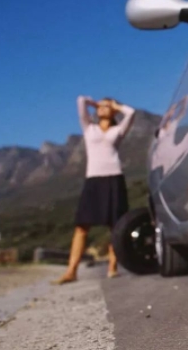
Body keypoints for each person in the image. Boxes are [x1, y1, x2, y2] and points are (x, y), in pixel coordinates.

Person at [53, 95, 135, 285]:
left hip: (114, 179)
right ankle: (71, 271)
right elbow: (80, 101)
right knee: (82, 227)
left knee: (115, 226)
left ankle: (113, 267)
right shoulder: (89, 128)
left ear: (113, 110)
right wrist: (96, 103)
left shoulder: (118, 130)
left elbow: (131, 113)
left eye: (107, 107)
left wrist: (115, 105)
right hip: (93, 180)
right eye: (101, 106)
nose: (103, 108)